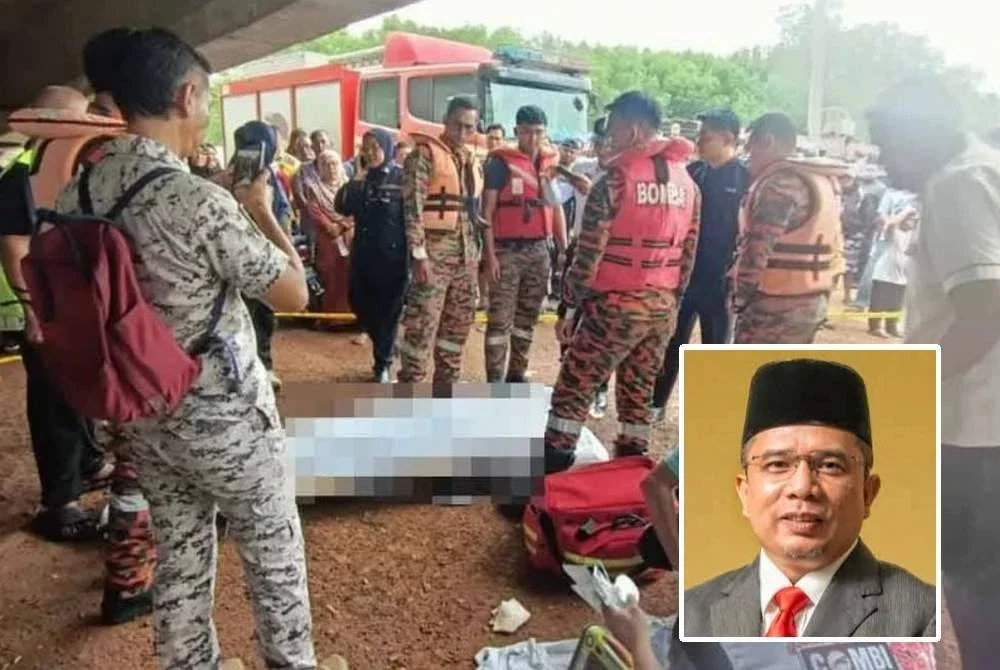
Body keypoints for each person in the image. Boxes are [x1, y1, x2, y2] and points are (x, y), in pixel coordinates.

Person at [54, 27, 315, 668]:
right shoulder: (197, 200)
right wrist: (259, 209)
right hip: (222, 414)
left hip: (140, 410)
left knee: (181, 556)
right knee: (272, 553)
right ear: (187, 94)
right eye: (207, 98)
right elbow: (294, 296)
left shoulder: (79, 192)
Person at [868, 74, 1000, 669]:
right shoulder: (983, 169)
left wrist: (907, 391)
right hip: (982, 421)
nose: (882, 160)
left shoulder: (957, 184)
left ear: (916, 137)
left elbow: (985, 308)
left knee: (974, 584)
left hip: (973, 426)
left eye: (886, 145)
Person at [683, 359, 935, 638]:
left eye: (830, 465)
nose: (802, 488)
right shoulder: (692, 614)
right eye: (777, 464)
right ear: (745, 493)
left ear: (868, 493)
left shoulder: (925, 620)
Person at [545, 91, 699, 473]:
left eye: (612, 129)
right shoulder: (688, 183)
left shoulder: (616, 180)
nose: (608, 137)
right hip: (661, 308)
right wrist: (671, 303)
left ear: (633, 129)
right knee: (637, 395)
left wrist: (569, 305)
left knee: (573, 390)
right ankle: (629, 480)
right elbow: (688, 254)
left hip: (615, 307)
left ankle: (550, 474)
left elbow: (588, 253)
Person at [0, 85, 116, 543]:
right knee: (52, 401)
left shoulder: (64, 171)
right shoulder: (20, 178)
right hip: (45, 310)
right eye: (77, 119)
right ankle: (59, 503)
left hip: (72, 308)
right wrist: (32, 312)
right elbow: (14, 249)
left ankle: (88, 464)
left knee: (78, 390)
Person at [651, 109, 749, 422]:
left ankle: (712, 412)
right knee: (671, 342)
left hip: (720, 281)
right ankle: (657, 403)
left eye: (706, 136)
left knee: (715, 349)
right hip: (685, 277)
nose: (699, 141)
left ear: (728, 139)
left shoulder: (745, 179)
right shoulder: (693, 172)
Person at [732, 113, 846, 344]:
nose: (748, 156)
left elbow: (757, 250)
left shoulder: (779, 184)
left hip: (774, 307)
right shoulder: (822, 180)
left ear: (767, 142)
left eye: (751, 146)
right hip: (812, 301)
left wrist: (739, 298)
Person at [397, 96, 483, 384]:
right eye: (457, 125)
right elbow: (413, 206)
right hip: (433, 257)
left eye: (468, 127)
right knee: (421, 329)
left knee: (455, 333)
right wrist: (418, 253)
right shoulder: (424, 155)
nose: (462, 132)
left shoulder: (470, 160)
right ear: (445, 122)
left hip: (465, 257)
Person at [481, 105, 567, 383]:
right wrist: (490, 256)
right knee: (499, 320)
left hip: (539, 250)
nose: (533, 138)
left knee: (528, 317)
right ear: (517, 131)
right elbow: (488, 213)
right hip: (506, 251)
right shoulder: (500, 164)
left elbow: (555, 210)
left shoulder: (550, 165)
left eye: (539, 132)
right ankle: (494, 379)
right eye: (527, 132)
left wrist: (563, 250)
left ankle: (516, 374)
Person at [335, 129, 409, 383]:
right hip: (364, 257)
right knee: (359, 303)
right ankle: (386, 345)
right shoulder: (360, 181)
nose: (370, 152)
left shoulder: (401, 179)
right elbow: (341, 206)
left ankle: (383, 363)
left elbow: (411, 219)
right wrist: (356, 179)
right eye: (366, 147)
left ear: (387, 149)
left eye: (376, 147)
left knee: (388, 311)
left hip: (394, 259)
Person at [233, 121, 296, 391]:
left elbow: (283, 216)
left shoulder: (272, 178)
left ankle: (265, 365)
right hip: (238, 258)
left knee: (264, 315)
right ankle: (246, 368)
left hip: (266, 257)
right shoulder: (231, 177)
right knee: (240, 315)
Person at [557, 117, 610, 419]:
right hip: (580, 249)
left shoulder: (621, 176)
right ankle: (568, 379)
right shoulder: (581, 167)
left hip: (607, 256)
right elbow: (557, 198)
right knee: (568, 317)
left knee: (600, 324)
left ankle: (599, 389)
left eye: (608, 142)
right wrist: (556, 174)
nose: (602, 148)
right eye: (599, 142)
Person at [302, 148, 353, 316]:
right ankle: (332, 318)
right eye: (326, 164)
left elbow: (358, 211)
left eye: (334, 164)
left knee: (350, 276)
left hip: (350, 237)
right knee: (330, 277)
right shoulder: (314, 189)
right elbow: (315, 212)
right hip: (328, 241)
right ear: (319, 168)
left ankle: (350, 316)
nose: (331, 169)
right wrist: (332, 227)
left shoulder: (350, 187)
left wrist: (343, 225)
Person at [868, 206, 917, 338]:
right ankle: (875, 327)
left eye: (913, 220)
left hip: (901, 275)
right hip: (884, 273)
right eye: (908, 220)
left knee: (896, 304)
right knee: (879, 302)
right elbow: (891, 223)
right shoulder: (893, 230)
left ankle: (891, 326)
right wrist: (906, 211)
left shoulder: (914, 235)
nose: (911, 222)